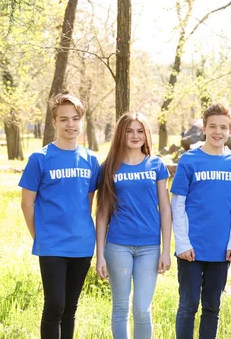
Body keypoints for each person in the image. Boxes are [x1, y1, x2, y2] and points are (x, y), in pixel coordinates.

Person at [19, 93, 101, 339]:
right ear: (54, 122)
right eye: (64, 119)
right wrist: (40, 237)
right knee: (54, 305)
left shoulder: (90, 159)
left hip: (82, 244)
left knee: (70, 308)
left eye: (75, 119)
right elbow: (27, 204)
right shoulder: (39, 159)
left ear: (81, 121)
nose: (70, 124)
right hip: (52, 244)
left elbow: (88, 202)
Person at [171, 103, 231, 339]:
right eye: (212, 126)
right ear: (204, 128)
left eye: (223, 127)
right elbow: (178, 204)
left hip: (221, 249)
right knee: (188, 305)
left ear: (230, 130)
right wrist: (182, 243)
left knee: (212, 307)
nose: (218, 131)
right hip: (191, 249)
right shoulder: (189, 160)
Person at [95, 111, 172, 338]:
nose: (135, 135)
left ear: (146, 135)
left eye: (140, 131)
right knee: (120, 307)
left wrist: (166, 250)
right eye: (129, 131)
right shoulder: (109, 166)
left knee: (142, 309)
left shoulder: (156, 165)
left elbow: (165, 208)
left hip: (149, 247)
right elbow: (102, 214)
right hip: (118, 245)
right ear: (121, 134)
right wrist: (99, 255)